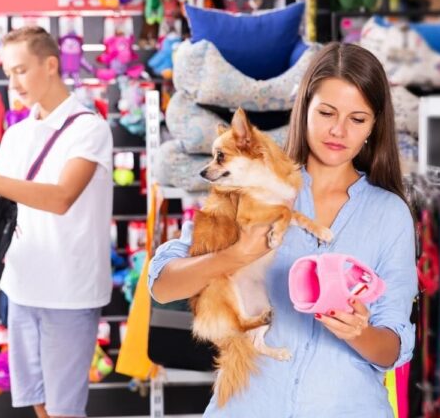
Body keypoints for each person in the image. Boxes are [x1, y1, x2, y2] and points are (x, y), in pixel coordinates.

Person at [148, 42, 418, 417]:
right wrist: (236, 254)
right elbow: (162, 285)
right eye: (326, 112)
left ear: (374, 126)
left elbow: (393, 347)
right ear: (303, 107)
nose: (339, 130)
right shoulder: (249, 186)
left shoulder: (390, 215)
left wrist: (360, 332)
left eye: (358, 119)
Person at [0, 26, 113, 418]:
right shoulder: (15, 134)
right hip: (20, 286)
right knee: (38, 404)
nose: (13, 82)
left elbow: (61, 197)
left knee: (65, 410)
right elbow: (6, 203)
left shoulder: (89, 128)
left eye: (20, 70)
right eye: (7, 72)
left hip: (69, 290)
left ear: (51, 65)